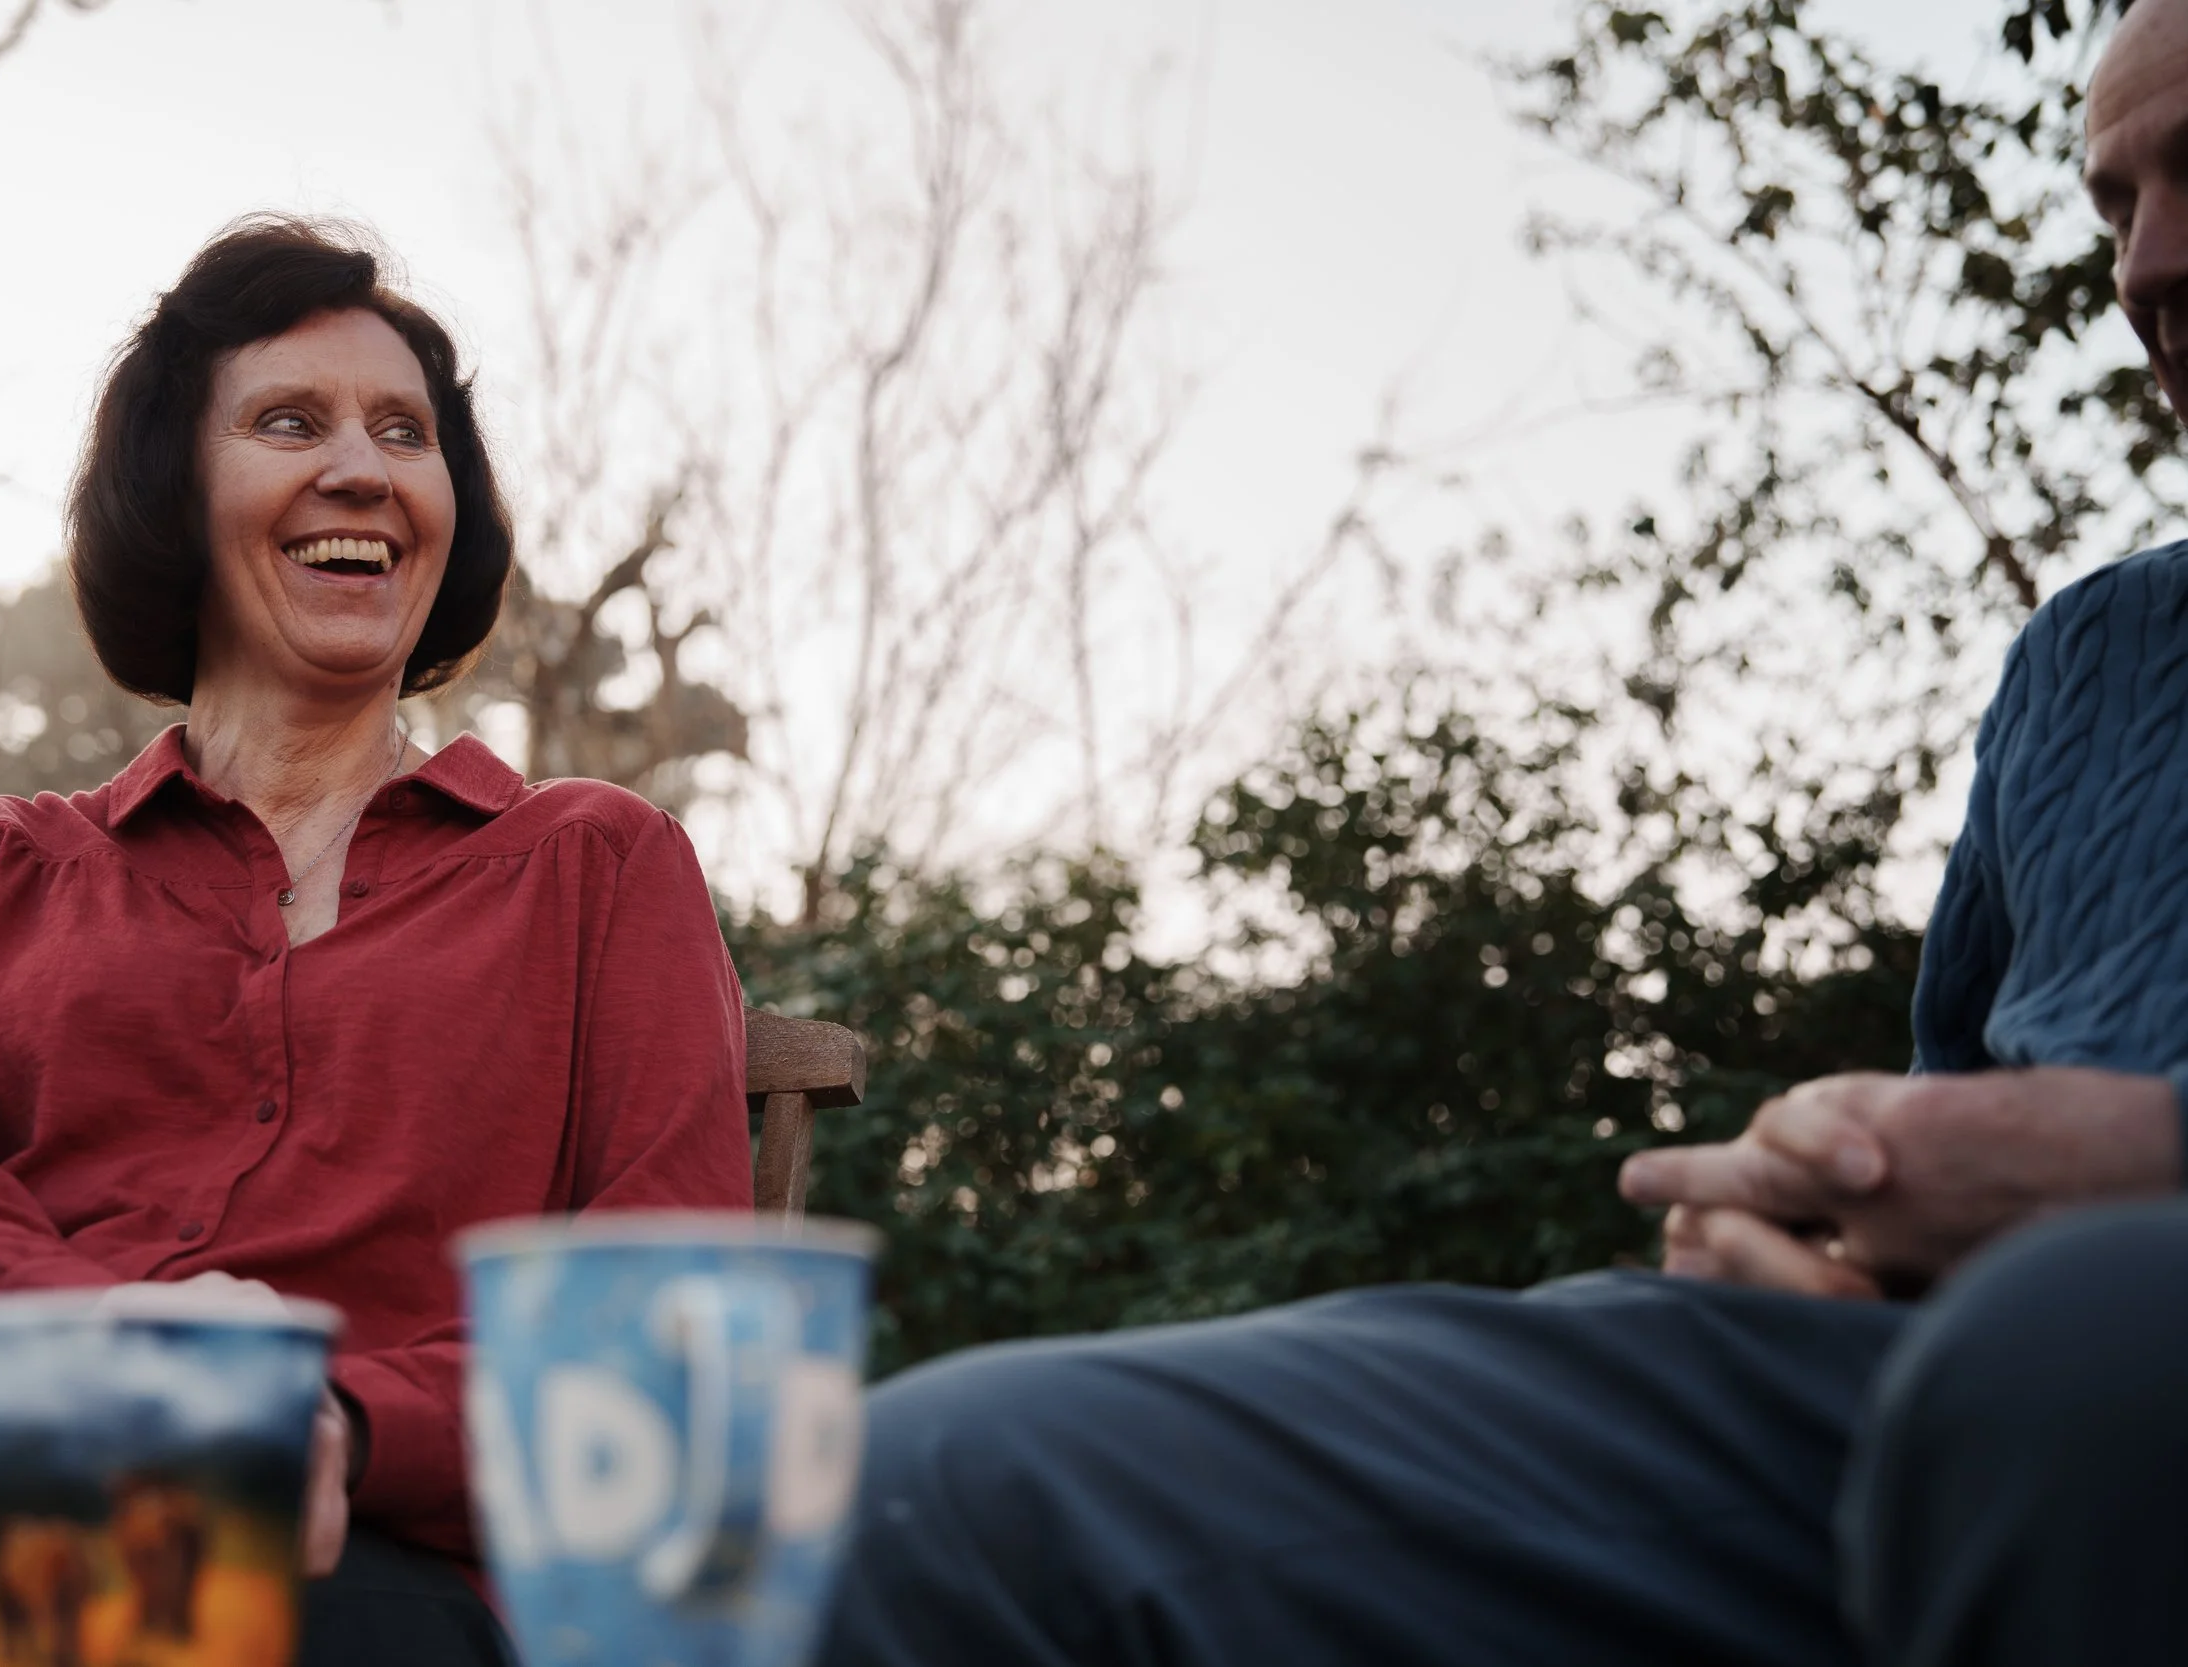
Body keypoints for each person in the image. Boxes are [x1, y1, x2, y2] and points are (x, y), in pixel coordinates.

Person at [814, 3, 2188, 1664]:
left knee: (2075, 1343)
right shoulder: (2091, 658)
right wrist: (1821, 1221)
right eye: (2115, 205)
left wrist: (2145, 1165)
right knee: (927, 1488)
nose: (2146, 265)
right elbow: (1964, 1121)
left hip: (2089, 1370)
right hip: (1896, 1397)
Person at [0, 216, 755, 1665]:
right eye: (290, 422)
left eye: (406, 433)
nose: (364, 469)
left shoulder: (594, 863)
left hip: (372, 1570)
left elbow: (659, 1322)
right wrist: (165, 1374)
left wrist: (331, 1420)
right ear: (174, 491)